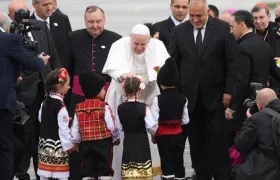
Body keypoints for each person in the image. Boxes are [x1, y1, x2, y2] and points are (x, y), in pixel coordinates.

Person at [169, 0, 236, 179]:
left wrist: (229, 90)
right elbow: (174, 63)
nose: (195, 19)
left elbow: (231, 62)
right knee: (196, 142)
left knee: (218, 141)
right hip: (189, 97)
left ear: (207, 13)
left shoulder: (222, 29)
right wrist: (175, 93)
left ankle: (222, 175)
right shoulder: (178, 32)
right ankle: (202, 175)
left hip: (217, 96)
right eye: (192, 16)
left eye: (199, 16)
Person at [102, 23, 169, 180]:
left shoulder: (157, 46)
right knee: (122, 139)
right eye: (136, 44)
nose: (139, 48)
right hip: (122, 98)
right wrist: (123, 76)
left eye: (143, 44)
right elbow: (111, 69)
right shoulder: (119, 45)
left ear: (149, 40)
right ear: (130, 38)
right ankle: (119, 175)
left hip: (149, 97)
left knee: (150, 142)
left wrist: (153, 75)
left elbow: (164, 68)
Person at [65, 6, 122, 179]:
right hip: (78, 95)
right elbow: (68, 66)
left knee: (103, 138)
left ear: (104, 20)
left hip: (105, 96)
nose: (95, 25)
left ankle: (105, 172)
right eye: (91, 21)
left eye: (98, 21)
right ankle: (77, 174)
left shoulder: (116, 39)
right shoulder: (73, 38)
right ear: (85, 21)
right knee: (77, 136)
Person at [0, 23, 48, 180]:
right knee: (5, 148)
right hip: (2, 104)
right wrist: (41, 60)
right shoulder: (9, 40)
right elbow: (34, 65)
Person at [226, 10, 280, 120]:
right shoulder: (264, 45)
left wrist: (231, 107)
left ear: (241, 25)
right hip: (264, 102)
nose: (231, 31)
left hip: (247, 104)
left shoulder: (241, 48)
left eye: (232, 27)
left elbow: (242, 81)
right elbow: (276, 72)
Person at [70, 71, 120, 180]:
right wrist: (116, 137)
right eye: (102, 88)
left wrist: (76, 142)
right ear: (96, 91)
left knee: (88, 168)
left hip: (87, 144)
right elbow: (112, 126)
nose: (104, 90)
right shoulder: (104, 106)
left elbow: (75, 128)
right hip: (104, 144)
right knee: (104, 166)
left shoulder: (79, 107)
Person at [150, 58, 189, 180]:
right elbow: (185, 120)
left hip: (163, 135)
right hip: (178, 134)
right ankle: (180, 177)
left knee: (166, 160)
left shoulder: (158, 99)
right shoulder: (183, 98)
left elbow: (154, 123)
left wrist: (153, 135)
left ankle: (167, 176)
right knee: (179, 160)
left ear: (160, 83)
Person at [37, 68, 77, 180]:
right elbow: (63, 129)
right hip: (57, 146)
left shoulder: (45, 101)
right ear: (60, 86)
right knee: (60, 175)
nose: (69, 87)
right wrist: (69, 145)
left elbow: (41, 117)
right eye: (68, 85)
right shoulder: (60, 106)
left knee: (44, 174)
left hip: (45, 144)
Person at [231, 88, 280, 180]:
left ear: (259, 106)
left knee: (234, 172)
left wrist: (250, 120)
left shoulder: (257, 118)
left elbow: (240, 144)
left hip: (266, 172)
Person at [116, 76, 158, 180]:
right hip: (141, 142)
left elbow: (118, 127)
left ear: (125, 90)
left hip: (128, 142)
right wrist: (154, 136)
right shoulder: (143, 107)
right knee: (142, 169)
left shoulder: (120, 108)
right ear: (139, 90)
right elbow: (151, 126)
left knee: (129, 169)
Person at [31, 0, 72, 66]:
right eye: (45, 5)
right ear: (34, 5)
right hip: (38, 72)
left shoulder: (62, 20)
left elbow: (69, 48)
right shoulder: (27, 25)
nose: (49, 8)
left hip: (60, 72)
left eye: (51, 3)